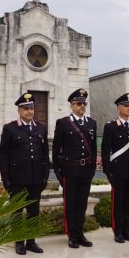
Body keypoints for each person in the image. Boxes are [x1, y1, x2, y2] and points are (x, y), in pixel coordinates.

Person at [0, 93, 50, 255]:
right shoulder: (10, 128)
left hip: (36, 178)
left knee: (33, 211)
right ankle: (19, 242)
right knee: (17, 212)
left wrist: (45, 176)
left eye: (31, 108)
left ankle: (31, 241)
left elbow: (44, 154)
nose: (30, 111)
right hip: (17, 178)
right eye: (26, 108)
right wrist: (5, 178)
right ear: (19, 110)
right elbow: (4, 156)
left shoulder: (40, 128)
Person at [52, 89, 97, 249]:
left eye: (84, 103)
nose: (82, 106)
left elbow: (93, 149)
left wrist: (92, 169)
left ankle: (80, 233)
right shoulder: (63, 123)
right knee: (70, 204)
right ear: (72, 105)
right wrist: (58, 172)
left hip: (86, 171)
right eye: (79, 103)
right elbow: (56, 149)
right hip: (70, 170)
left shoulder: (92, 123)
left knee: (82, 203)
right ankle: (71, 235)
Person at [101, 93, 129, 244]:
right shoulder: (111, 126)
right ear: (119, 108)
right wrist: (108, 171)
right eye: (126, 106)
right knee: (118, 203)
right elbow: (105, 151)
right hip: (118, 172)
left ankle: (127, 230)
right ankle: (118, 231)